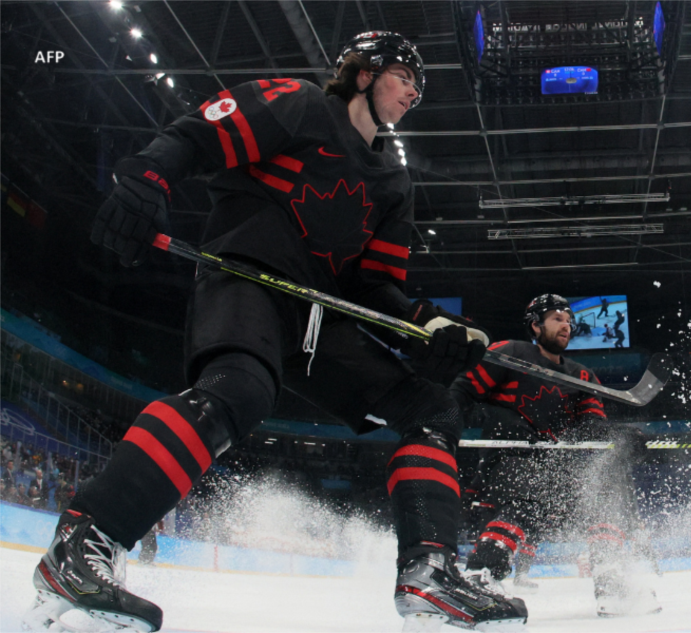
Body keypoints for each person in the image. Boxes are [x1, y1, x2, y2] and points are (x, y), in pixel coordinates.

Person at [25, 31, 526, 633]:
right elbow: (198, 133)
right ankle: (84, 541)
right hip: (246, 278)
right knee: (239, 391)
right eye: (404, 76)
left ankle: (428, 574)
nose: (414, 91)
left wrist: (434, 327)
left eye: (418, 85)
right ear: (365, 73)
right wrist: (147, 177)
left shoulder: (393, 185)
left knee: (433, 410)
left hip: (318, 317)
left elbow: (375, 287)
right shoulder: (302, 105)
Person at [452, 294, 660, 617]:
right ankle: (481, 574)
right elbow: (463, 392)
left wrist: (623, 438)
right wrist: (445, 424)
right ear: (535, 326)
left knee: (606, 485)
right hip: (508, 466)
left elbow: (594, 429)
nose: (566, 324)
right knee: (529, 489)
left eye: (568, 319)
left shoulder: (582, 376)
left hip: (560, 474)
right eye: (556, 319)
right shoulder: (509, 353)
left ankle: (609, 581)